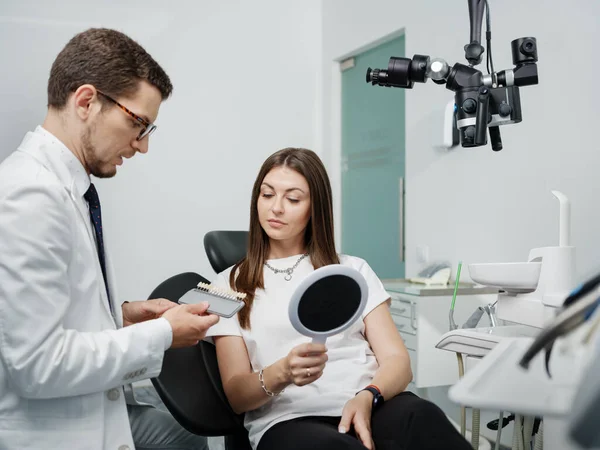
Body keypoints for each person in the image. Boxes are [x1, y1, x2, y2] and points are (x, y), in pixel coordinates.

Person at [0, 28, 218, 450]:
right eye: (137, 123)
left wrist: (123, 316)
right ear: (86, 101)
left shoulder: (66, 188)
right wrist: (163, 335)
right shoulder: (29, 196)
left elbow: (46, 310)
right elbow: (37, 365)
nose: (142, 146)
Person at [206, 147, 474, 450]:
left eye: (292, 199)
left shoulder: (351, 270)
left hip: (372, 403)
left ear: (315, 208)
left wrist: (368, 396)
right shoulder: (227, 285)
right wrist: (282, 372)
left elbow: (398, 361)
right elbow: (237, 395)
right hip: (290, 421)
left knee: (423, 417)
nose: (276, 208)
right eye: (267, 195)